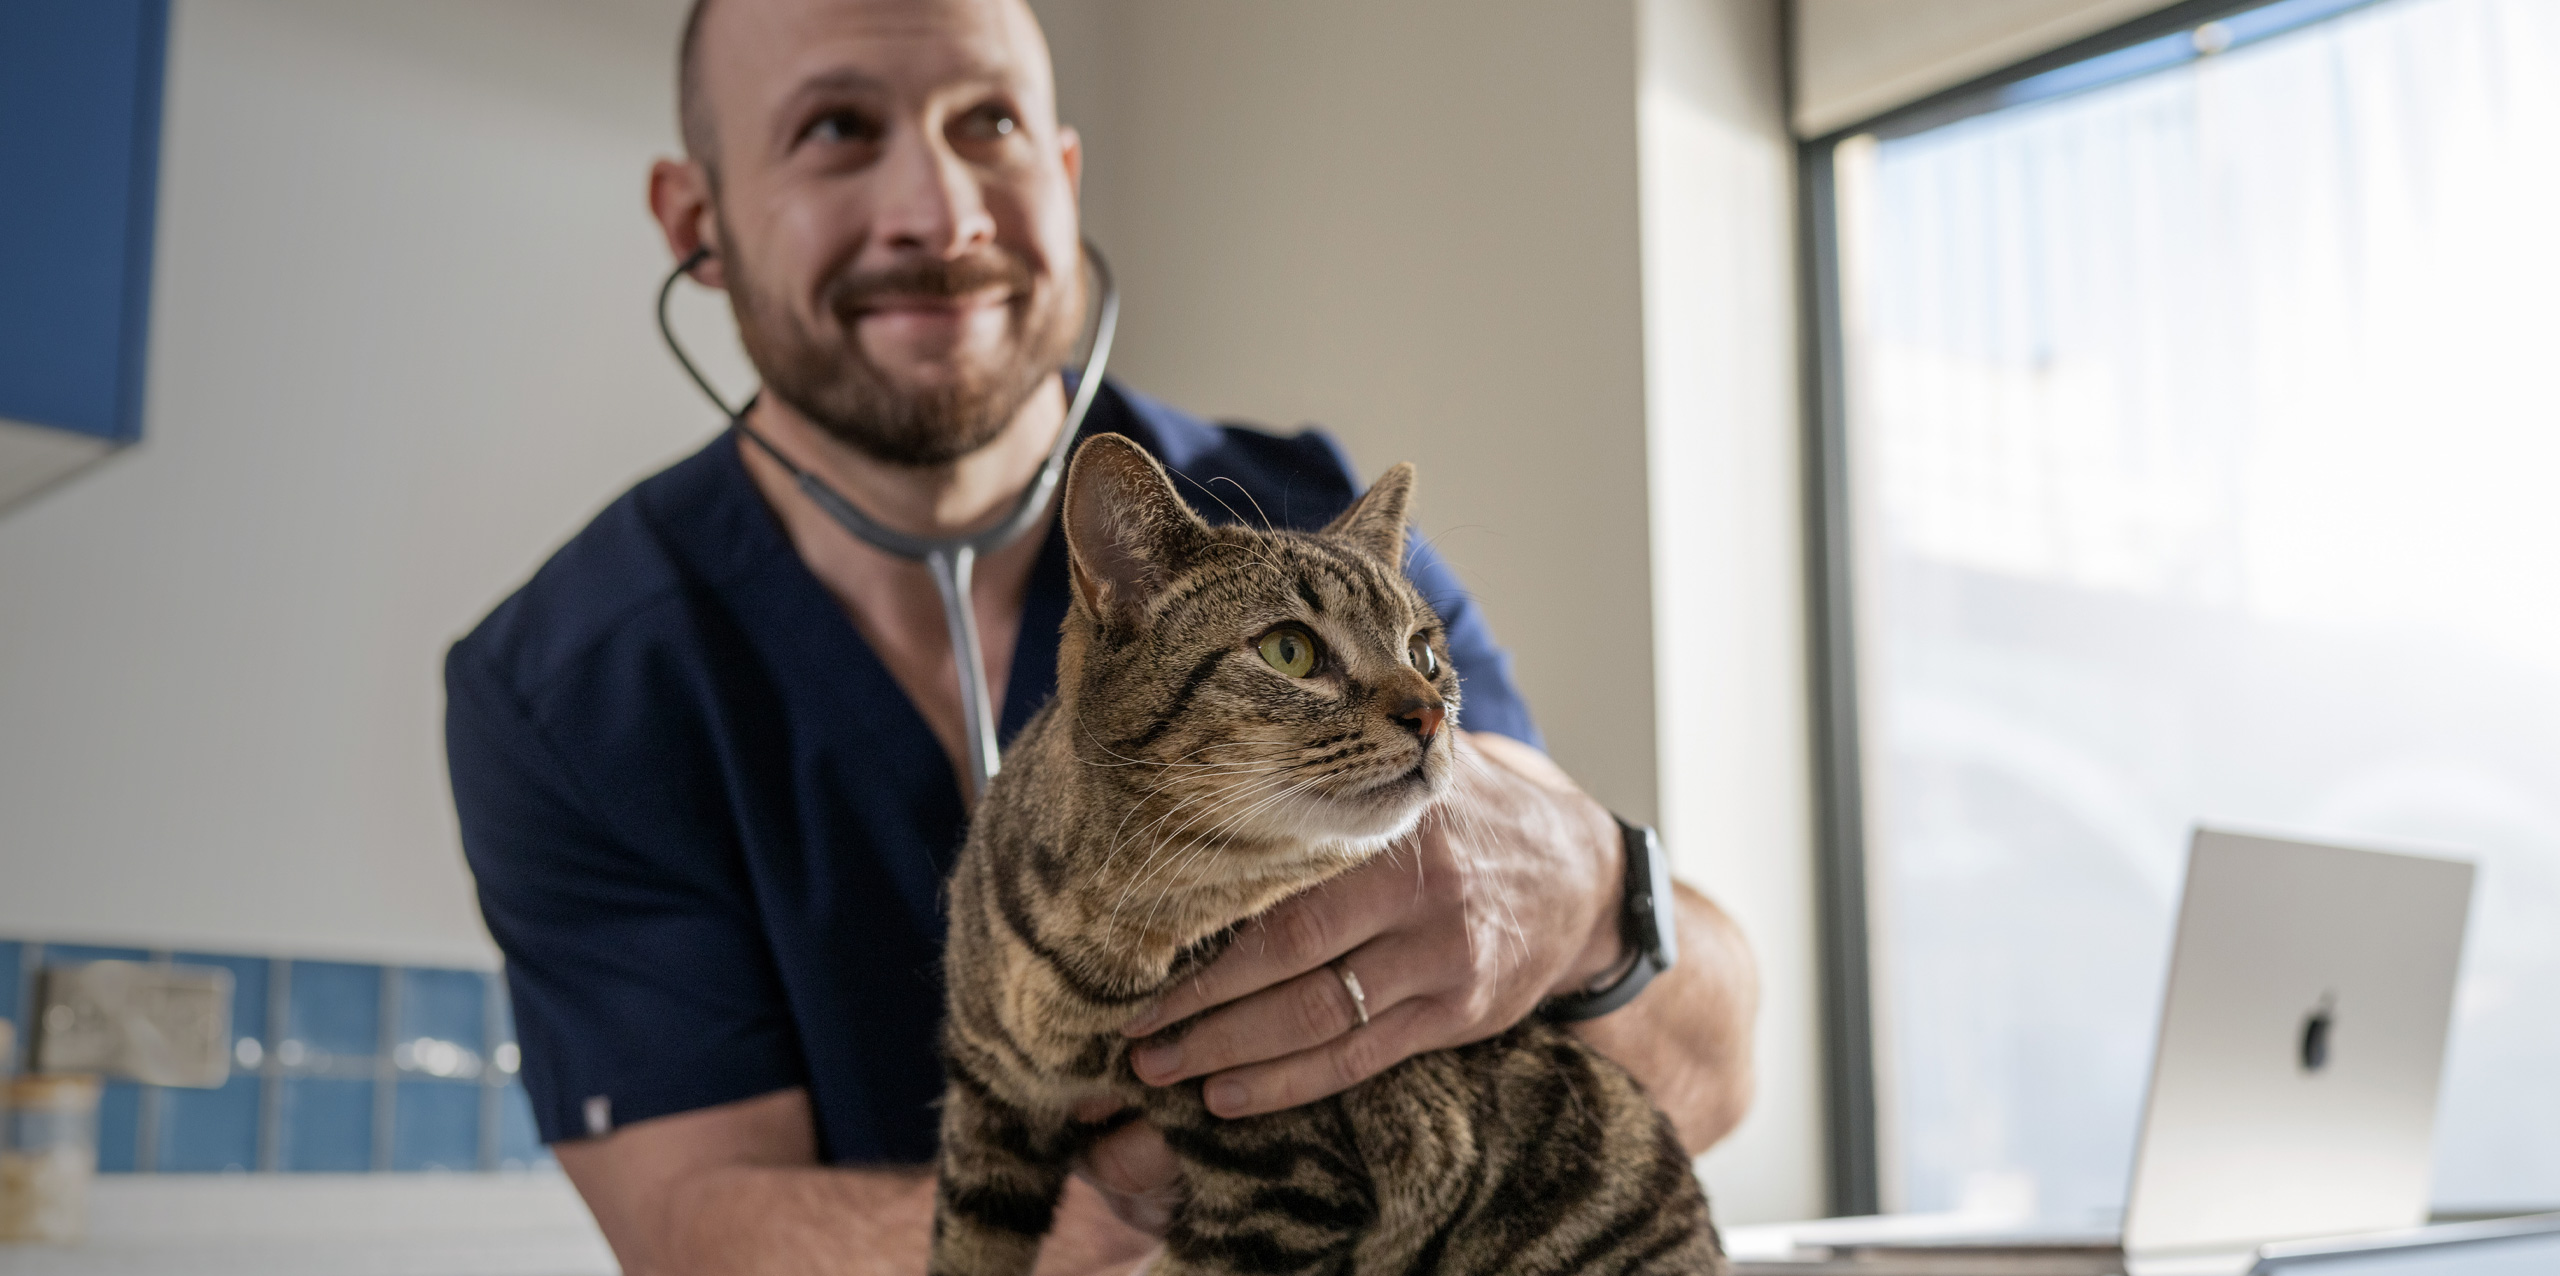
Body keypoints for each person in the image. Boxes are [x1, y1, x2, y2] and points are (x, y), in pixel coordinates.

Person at [443, 0, 1761, 1272]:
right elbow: (695, 1231)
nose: (940, 213)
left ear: (1066, 178)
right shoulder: (569, 688)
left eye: (992, 123)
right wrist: (1173, 1205)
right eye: (837, 129)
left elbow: (1709, 1074)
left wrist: (1595, 898)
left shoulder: (1320, 535)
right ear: (698, 223)